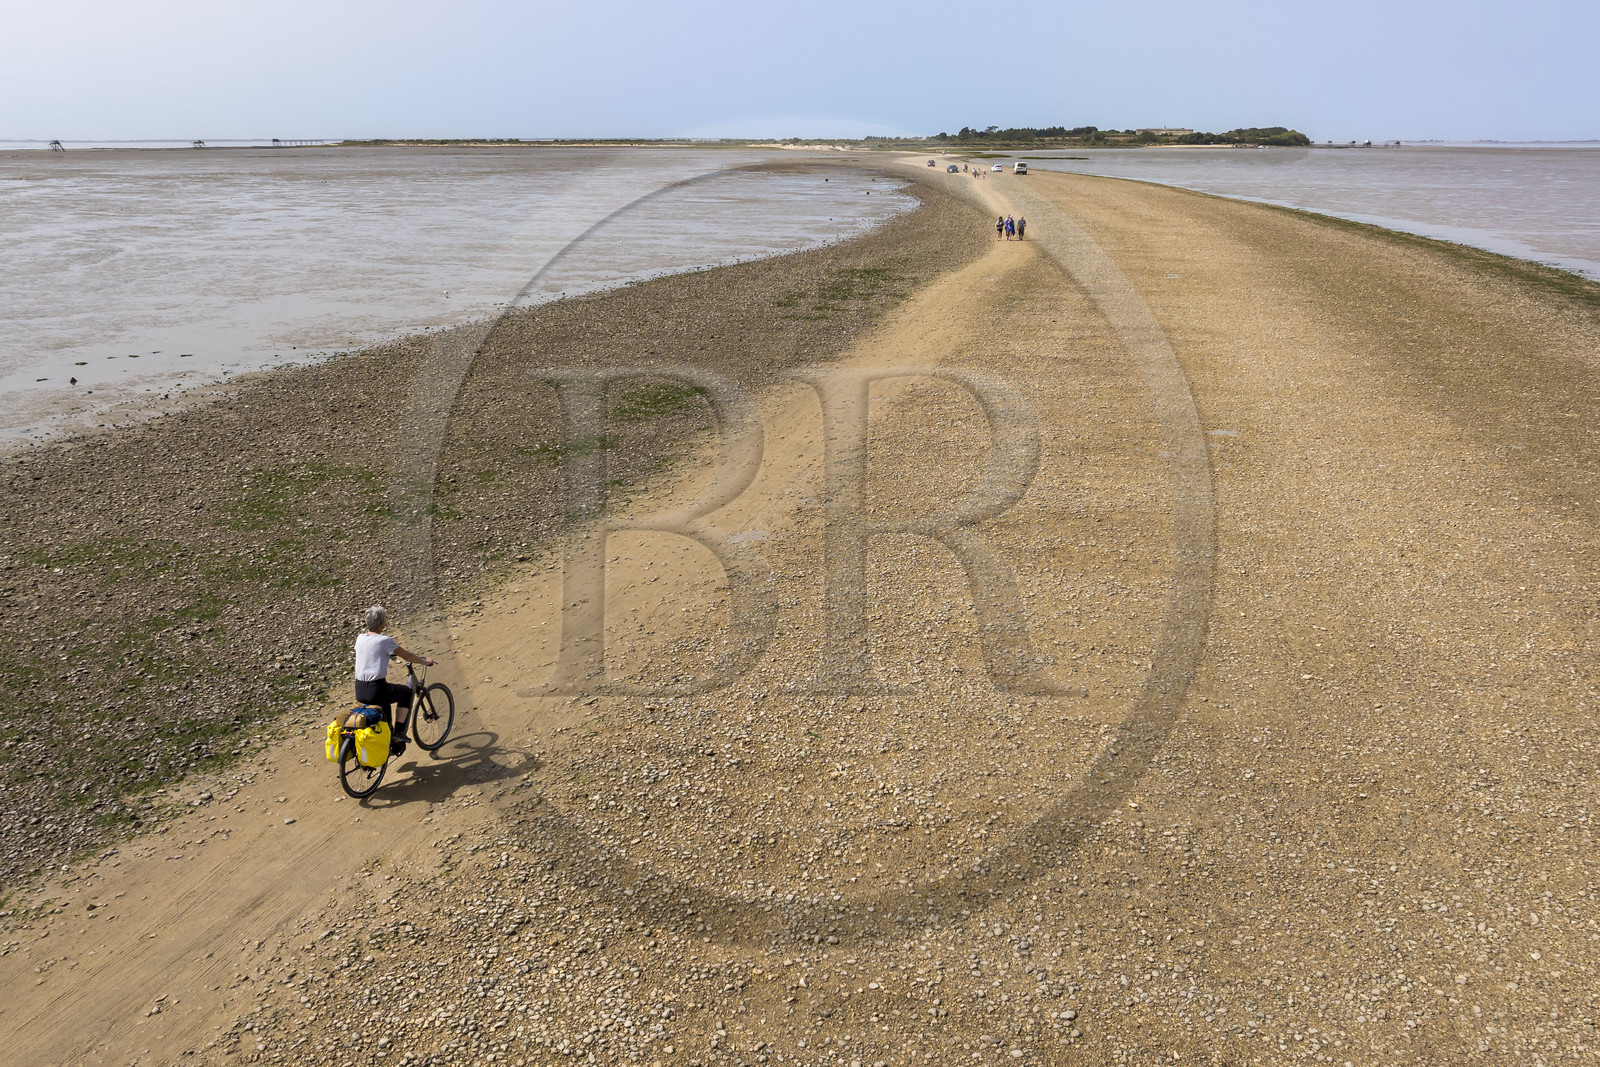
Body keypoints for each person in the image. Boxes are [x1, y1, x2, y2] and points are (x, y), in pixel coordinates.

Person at [353, 605, 434, 755]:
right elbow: (408, 656)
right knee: (407, 692)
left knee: (385, 716)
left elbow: (369, 654)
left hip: (360, 690)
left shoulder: (360, 638)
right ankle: (400, 732)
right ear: (382, 623)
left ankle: (388, 745)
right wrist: (425, 661)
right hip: (376, 689)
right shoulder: (385, 641)